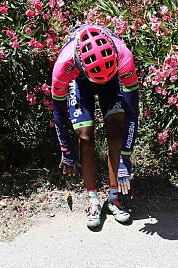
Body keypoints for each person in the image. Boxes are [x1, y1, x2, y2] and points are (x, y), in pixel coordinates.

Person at [51, 24, 139, 228]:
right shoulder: (64, 66)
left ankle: (114, 197)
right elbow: (59, 113)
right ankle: (93, 201)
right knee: (85, 137)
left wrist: (126, 156)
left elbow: (132, 112)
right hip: (80, 81)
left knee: (117, 131)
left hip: (111, 77)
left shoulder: (123, 56)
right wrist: (66, 150)